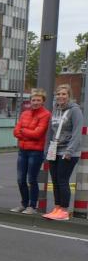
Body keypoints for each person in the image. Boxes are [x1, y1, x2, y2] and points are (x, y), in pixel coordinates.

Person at [43, 84, 85, 221]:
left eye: (64, 94)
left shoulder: (75, 110)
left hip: (68, 151)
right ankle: (57, 208)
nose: (61, 96)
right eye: (58, 94)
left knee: (62, 180)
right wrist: (47, 149)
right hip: (54, 149)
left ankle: (64, 210)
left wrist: (69, 151)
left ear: (69, 96)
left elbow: (77, 132)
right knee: (55, 180)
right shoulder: (55, 109)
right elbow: (51, 131)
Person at [11, 88, 50, 214]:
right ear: (30, 101)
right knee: (20, 179)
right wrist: (27, 133)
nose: (35, 102)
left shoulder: (46, 114)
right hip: (23, 150)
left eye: (38, 100)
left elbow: (38, 134)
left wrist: (23, 131)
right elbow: (15, 132)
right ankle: (24, 204)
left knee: (32, 179)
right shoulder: (24, 114)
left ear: (43, 101)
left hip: (36, 151)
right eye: (33, 100)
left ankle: (32, 206)